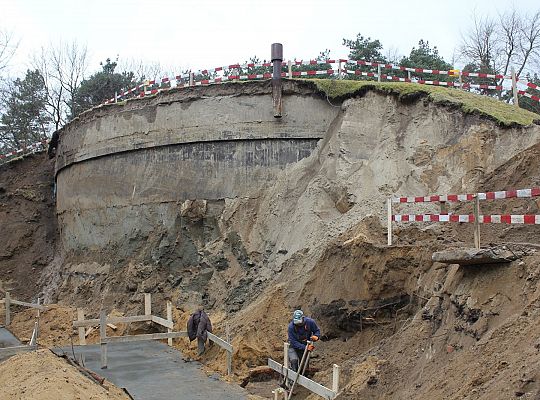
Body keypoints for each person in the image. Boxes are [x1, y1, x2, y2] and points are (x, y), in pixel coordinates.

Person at [287, 309, 320, 374]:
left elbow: (317, 331)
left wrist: (316, 336)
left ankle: (304, 378)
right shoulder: (291, 327)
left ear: (303, 318)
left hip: (305, 345)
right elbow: (293, 342)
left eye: (299, 323)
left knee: (304, 366)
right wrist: (305, 347)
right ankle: (292, 380)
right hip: (294, 347)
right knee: (294, 361)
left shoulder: (310, 322)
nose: (298, 325)